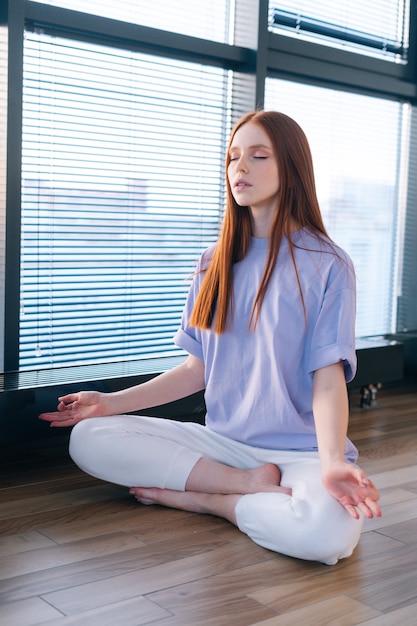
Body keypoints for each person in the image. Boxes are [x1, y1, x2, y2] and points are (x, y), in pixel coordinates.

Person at [40, 110, 381, 565]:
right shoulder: (212, 262)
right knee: (89, 437)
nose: (240, 168)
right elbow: (196, 370)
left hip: (300, 451)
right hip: (222, 445)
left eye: (259, 156)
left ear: (293, 168)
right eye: (233, 157)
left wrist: (334, 461)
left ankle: (210, 500)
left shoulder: (329, 264)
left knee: (328, 539)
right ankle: (244, 486)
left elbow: (327, 376)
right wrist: (109, 403)